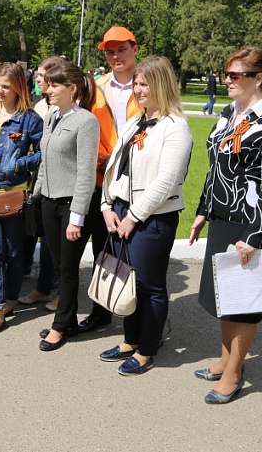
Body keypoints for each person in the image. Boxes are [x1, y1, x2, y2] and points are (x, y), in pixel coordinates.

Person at [189, 47, 262, 404]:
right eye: (227, 73)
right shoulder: (229, 113)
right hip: (221, 216)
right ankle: (224, 358)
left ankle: (234, 372)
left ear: (258, 78)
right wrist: (205, 208)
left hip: (249, 223)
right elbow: (215, 165)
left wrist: (255, 235)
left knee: (243, 302)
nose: (227, 80)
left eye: (236, 75)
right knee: (224, 296)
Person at [99, 56, 193, 375]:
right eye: (136, 83)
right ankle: (130, 339)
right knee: (127, 279)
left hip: (153, 217)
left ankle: (147, 349)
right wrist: (106, 206)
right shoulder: (135, 122)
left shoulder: (175, 127)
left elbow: (166, 181)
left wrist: (134, 216)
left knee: (150, 285)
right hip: (122, 210)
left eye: (144, 84)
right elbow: (115, 168)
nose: (138, 90)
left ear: (161, 85)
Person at [76, 26, 144, 335]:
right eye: (109, 51)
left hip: (136, 182)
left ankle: (140, 320)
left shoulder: (147, 85)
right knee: (101, 250)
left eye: (121, 49)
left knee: (133, 255)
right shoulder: (96, 87)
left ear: (135, 49)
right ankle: (102, 311)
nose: (115, 56)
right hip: (100, 180)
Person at [30, 61, 99, 351]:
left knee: (68, 269)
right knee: (58, 267)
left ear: (72, 89)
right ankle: (68, 319)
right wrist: (36, 196)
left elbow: (86, 173)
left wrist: (77, 217)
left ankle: (60, 327)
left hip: (71, 205)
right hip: (48, 201)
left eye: (55, 84)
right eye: (48, 83)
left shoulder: (86, 121)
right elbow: (46, 161)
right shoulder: (51, 117)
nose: (48, 89)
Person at [0, 63, 43, 336]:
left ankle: (8, 301)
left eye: (6, 86)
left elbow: (43, 153)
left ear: (18, 88)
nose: (0, 91)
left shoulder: (30, 120)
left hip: (14, 196)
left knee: (15, 254)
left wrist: (20, 163)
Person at [18, 56, 68, 308]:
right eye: (38, 76)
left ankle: (57, 289)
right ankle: (44, 286)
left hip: (61, 186)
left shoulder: (71, 111)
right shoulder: (41, 107)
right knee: (43, 236)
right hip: (39, 181)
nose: (38, 80)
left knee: (55, 242)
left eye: (43, 76)